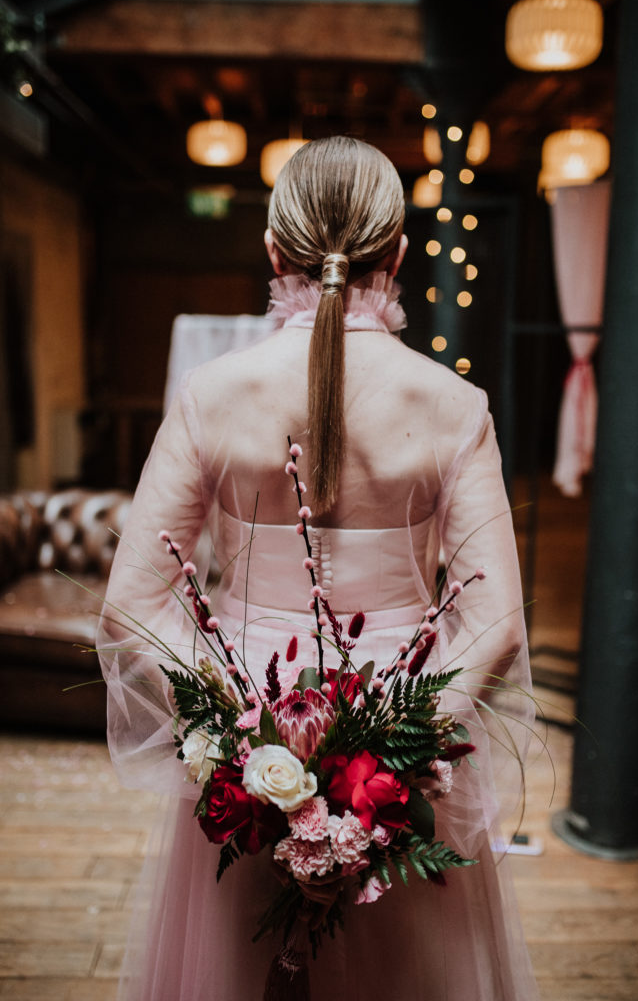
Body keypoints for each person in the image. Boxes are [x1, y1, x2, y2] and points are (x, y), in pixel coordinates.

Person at [98, 136, 539, 1000]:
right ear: (399, 256)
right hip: (401, 757)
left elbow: (130, 602)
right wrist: (395, 756)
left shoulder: (211, 395)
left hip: (254, 743)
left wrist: (239, 742)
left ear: (272, 250)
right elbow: (494, 622)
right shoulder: (454, 407)